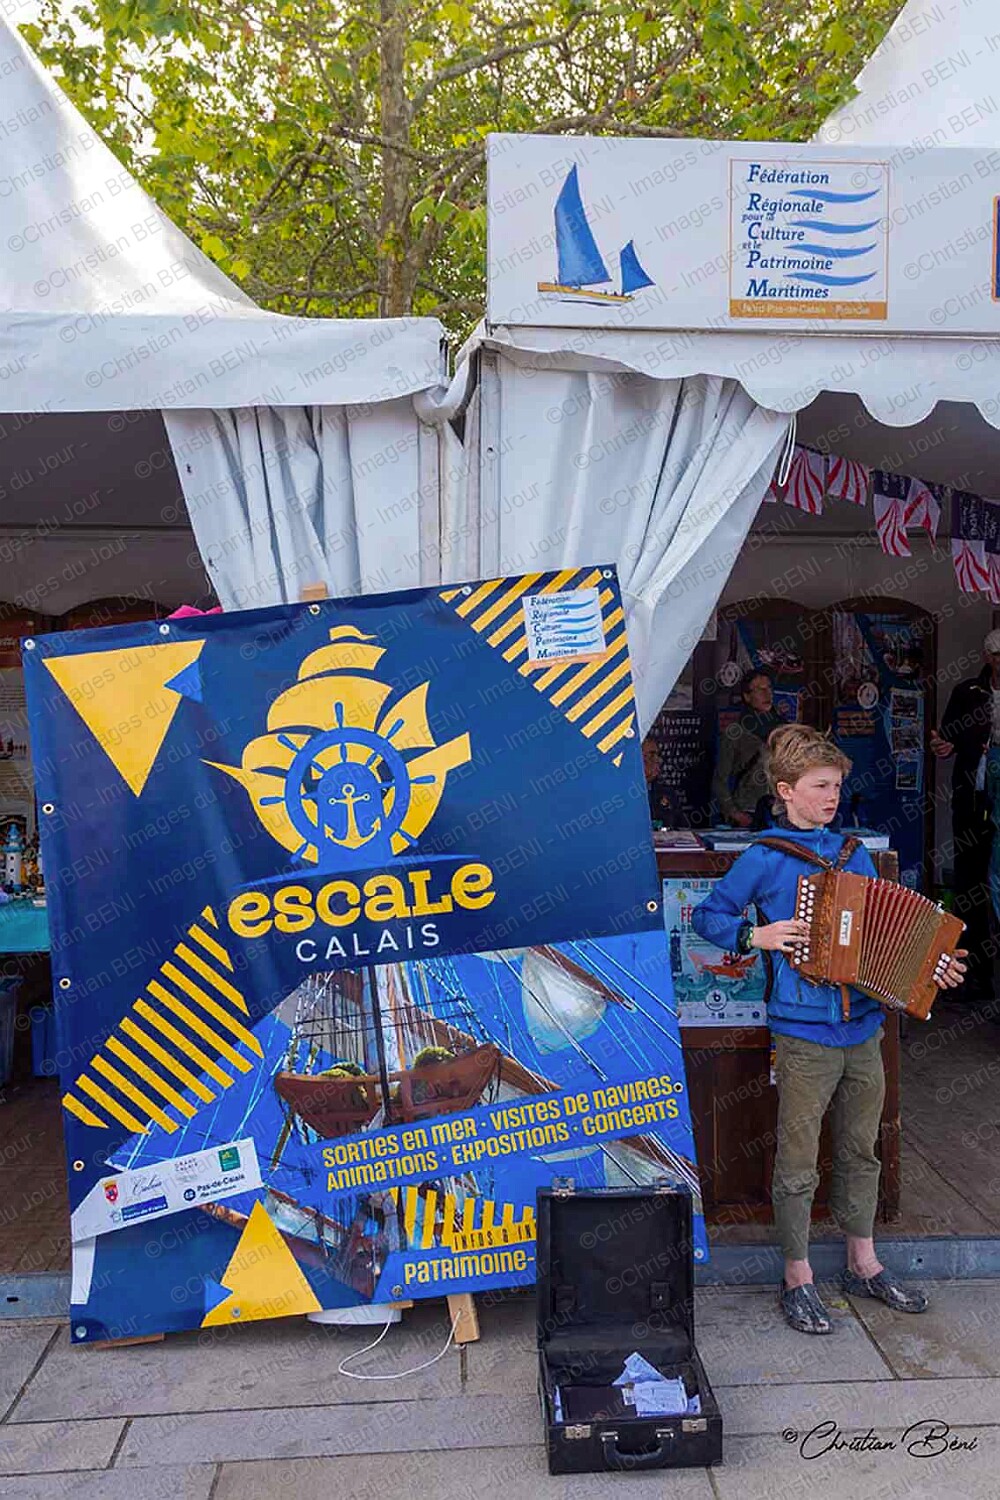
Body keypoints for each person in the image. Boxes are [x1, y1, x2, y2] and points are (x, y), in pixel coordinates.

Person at [691, 724, 966, 1335]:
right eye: (819, 786)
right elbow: (708, 917)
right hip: (802, 1032)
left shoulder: (853, 853)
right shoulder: (763, 856)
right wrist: (755, 934)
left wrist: (933, 966)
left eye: (836, 786)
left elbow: (890, 935)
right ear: (785, 791)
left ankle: (863, 1263)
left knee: (862, 1151)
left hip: (863, 1027)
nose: (831, 797)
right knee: (797, 1161)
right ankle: (797, 1276)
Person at [931, 629, 1000, 996]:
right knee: (971, 882)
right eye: (999, 655)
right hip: (972, 800)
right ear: (989, 657)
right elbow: (947, 739)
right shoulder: (968, 692)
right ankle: (975, 973)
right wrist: (943, 746)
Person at [712, 669, 784, 828]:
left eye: (769, 688)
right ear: (747, 696)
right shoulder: (735, 732)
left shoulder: (784, 730)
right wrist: (734, 813)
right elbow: (720, 779)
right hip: (748, 810)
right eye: (759, 689)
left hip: (780, 811)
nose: (767, 694)